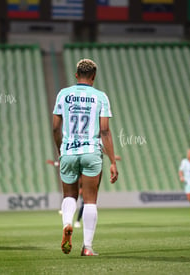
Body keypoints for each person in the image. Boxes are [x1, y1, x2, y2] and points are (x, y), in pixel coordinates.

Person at [52, 58, 118, 256]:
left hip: (69, 151)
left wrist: (60, 150)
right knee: (90, 200)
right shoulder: (100, 97)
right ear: (94, 76)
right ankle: (87, 247)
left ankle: (66, 224)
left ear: (76, 75)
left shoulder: (63, 94)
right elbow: (105, 131)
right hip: (91, 152)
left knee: (69, 195)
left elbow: (55, 127)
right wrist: (113, 161)